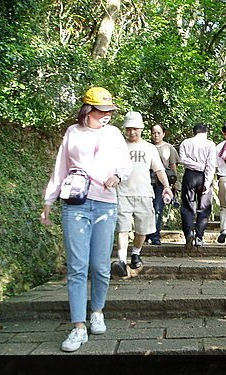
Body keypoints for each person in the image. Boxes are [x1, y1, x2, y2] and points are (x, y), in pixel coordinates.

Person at [40, 87, 132, 352]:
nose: (106, 116)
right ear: (87, 111)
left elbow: (125, 163)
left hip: (105, 203)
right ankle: (78, 327)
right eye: (101, 111)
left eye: (109, 111)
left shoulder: (114, 134)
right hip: (75, 204)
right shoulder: (73, 132)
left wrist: (118, 176)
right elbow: (60, 168)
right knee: (77, 267)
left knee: (100, 266)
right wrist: (49, 201)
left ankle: (97, 312)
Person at [111, 112, 173, 277]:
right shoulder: (119, 146)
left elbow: (158, 169)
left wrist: (166, 186)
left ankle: (136, 253)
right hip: (122, 193)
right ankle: (121, 260)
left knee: (142, 229)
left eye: (135, 129)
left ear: (141, 129)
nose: (132, 132)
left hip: (144, 193)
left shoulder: (149, 148)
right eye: (129, 129)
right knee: (122, 229)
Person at [179, 124, 216, 249]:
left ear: (194, 132)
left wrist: (195, 165)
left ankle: (188, 233)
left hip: (189, 175)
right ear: (206, 132)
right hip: (204, 175)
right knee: (204, 207)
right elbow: (211, 165)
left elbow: (183, 159)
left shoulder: (185, 143)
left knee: (187, 205)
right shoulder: (210, 144)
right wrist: (207, 182)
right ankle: (199, 236)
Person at [145, 123, 181, 246]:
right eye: (154, 132)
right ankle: (146, 234)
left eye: (158, 133)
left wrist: (174, 183)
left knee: (158, 208)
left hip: (161, 182)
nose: (156, 135)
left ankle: (155, 235)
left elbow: (173, 166)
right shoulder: (147, 147)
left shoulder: (169, 148)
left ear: (163, 134)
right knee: (146, 209)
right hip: (147, 181)